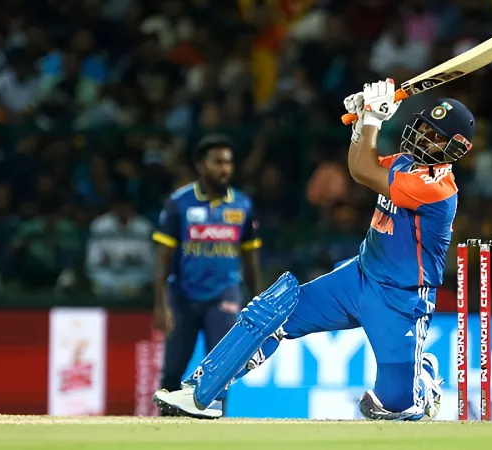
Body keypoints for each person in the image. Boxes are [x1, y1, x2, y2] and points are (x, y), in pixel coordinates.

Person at [154, 79, 475, 421]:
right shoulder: (404, 162)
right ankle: (202, 393)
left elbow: (364, 170)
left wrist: (373, 119)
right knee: (273, 312)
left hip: (401, 298)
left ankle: (422, 380)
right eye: (424, 128)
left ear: (455, 148)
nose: (424, 138)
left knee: (393, 406)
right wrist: (361, 124)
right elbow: (361, 164)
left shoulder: (439, 189)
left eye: (436, 136)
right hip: (359, 276)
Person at [151, 134, 262, 416]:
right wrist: (161, 304)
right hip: (183, 296)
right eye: (218, 162)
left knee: (222, 371)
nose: (225, 169)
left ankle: (217, 427)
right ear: (201, 165)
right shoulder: (179, 203)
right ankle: (161, 429)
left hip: (225, 295)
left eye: (228, 163)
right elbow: (162, 258)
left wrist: (259, 301)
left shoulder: (242, 205)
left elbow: (250, 260)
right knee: (173, 369)